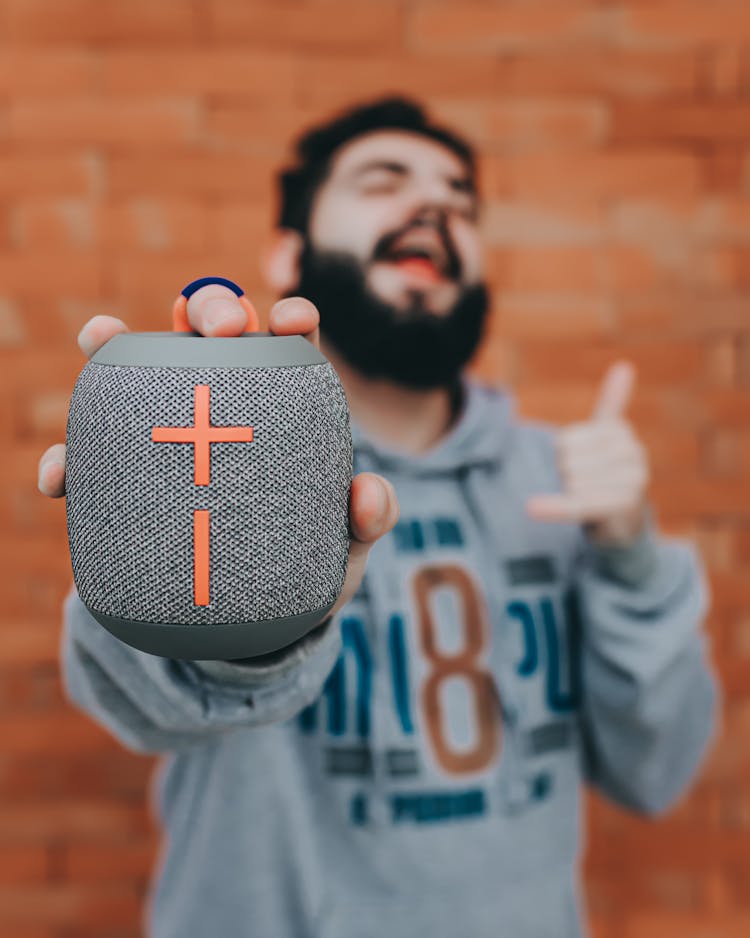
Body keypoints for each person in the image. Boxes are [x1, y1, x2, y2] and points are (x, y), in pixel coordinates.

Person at [38, 97, 718, 938]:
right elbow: (145, 707)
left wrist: (632, 561)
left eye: (460, 202)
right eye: (384, 182)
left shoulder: (563, 481)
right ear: (288, 252)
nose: (434, 209)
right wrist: (222, 583)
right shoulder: (220, 461)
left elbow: (657, 772)